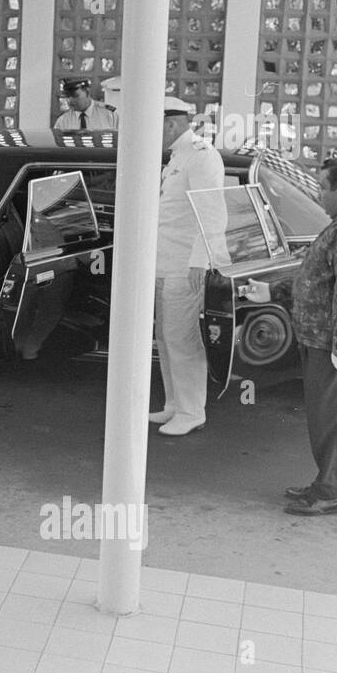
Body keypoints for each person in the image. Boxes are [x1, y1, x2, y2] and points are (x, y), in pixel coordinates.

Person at [243, 158, 337, 516]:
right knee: (330, 420)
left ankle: (331, 494)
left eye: (322, 187)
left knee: (335, 421)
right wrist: (273, 293)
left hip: (336, 343)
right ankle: (328, 484)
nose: (318, 193)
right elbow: (320, 277)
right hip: (326, 339)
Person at [151, 96, 226, 436]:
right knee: (165, 338)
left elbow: (210, 212)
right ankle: (173, 404)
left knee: (183, 339)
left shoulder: (201, 155)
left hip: (186, 264)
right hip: (164, 261)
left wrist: (201, 260)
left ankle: (192, 410)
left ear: (170, 123)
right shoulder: (177, 156)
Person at [53, 77, 120, 132]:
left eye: (75, 96)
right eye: (67, 96)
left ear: (87, 92)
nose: (70, 101)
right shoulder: (63, 121)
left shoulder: (110, 115)